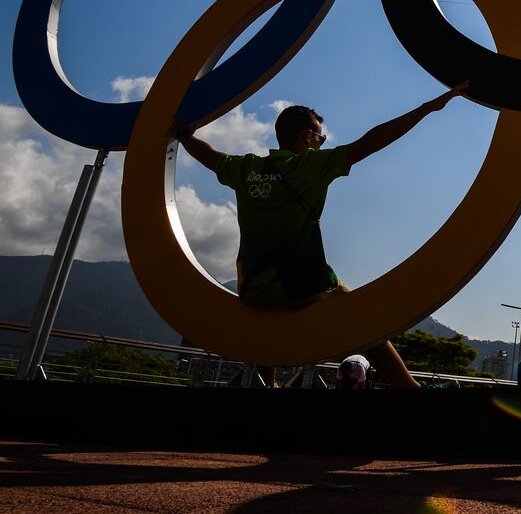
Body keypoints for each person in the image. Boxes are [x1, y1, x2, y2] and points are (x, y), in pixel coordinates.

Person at [178, 82, 470, 389]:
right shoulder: (310, 165)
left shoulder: (245, 167)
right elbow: (371, 142)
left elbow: (207, 154)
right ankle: (411, 388)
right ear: (307, 136)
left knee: (269, 325)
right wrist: (427, 108)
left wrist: (184, 137)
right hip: (301, 289)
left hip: (252, 290)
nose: (321, 143)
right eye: (321, 137)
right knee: (359, 314)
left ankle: (268, 384)